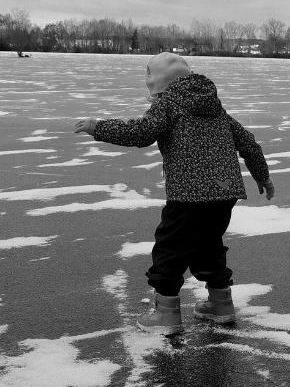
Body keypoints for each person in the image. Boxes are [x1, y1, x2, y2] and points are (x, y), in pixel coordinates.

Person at [74, 52, 274, 335]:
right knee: (209, 246)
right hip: (224, 193)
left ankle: (166, 314)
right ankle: (221, 305)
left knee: (170, 249)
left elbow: (140, 133)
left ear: (158, 84)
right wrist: (262, 175)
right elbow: (248, 142)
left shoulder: (169, 104)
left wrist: (99, 127)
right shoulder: (215, 107)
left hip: (189, 195)